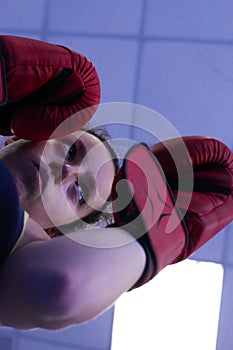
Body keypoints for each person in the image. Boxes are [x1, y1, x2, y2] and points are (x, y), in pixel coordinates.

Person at [0, 35, 232, 330]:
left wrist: (151, 230)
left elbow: (61, 288)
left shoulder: (19, 256)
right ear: (21, 136)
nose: (67, 171)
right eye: (72, 150)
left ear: (53, 232)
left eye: (80, 193)